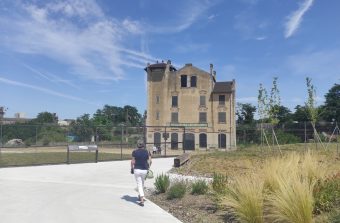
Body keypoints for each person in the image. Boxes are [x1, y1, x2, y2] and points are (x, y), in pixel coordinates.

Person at [131, 139, 152, 206]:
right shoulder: (147, 152)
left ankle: (142, 200)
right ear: (143, 145)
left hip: (137, 170)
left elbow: (133, 161)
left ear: (137, 145)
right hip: (144, 170)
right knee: (142, 183)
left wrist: (132, 168)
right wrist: (148, 167)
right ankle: (140, 196)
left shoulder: (134, 152)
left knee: (139, 184)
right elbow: (150, 161)